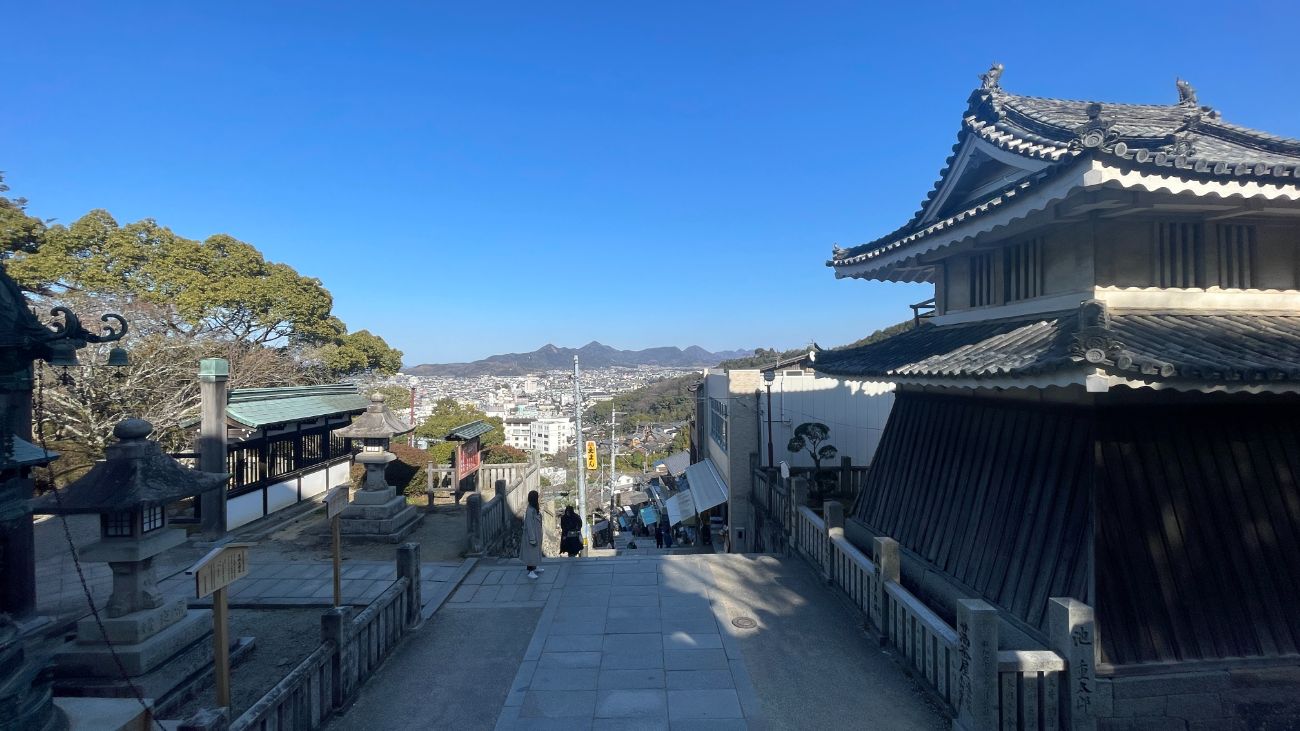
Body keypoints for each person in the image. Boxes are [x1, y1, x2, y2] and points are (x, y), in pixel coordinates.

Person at [522, 490, 544, 579]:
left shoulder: (533, 508)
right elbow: (529, 525)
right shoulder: (529, 510)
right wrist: (532, 538)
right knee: (531, 553)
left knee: (536, 551)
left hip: (537, 534)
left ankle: (536, 566)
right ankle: (530, 570)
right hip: (532, 535)